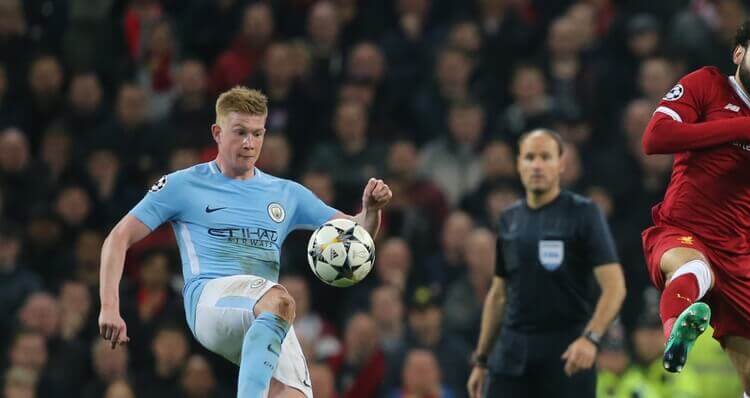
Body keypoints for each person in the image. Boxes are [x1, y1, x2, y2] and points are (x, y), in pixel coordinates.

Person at [97, 86, 393, 398]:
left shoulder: (286, 193)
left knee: (294, 394)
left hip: (266, 315)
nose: (249, 143)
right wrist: (109, 307)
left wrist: (371, 212)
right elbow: (118, 238)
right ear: (217, 132)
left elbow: (355, 240)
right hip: (209, 299)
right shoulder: (183, 185)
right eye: (239, 133)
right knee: (279, 299)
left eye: (257, 133)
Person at [640, 10, 750, 398]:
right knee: (695, 270)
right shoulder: (705, 84)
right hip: (683, 230)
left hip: (739, 256)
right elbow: (656, 137)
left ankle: (680, 328)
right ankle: (675, 336)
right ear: (738, 53)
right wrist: (739, 127)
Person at [466, 129, 627, 398]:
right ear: (518, 164)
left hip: (567, 354)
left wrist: (591, 338)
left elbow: (615, 287)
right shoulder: (508, 219)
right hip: (512, 355)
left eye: (545, 157)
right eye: (529, 157)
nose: (537, 165)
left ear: (561, 164)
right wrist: (481, 360)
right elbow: (498, 295)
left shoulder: (584, 214)